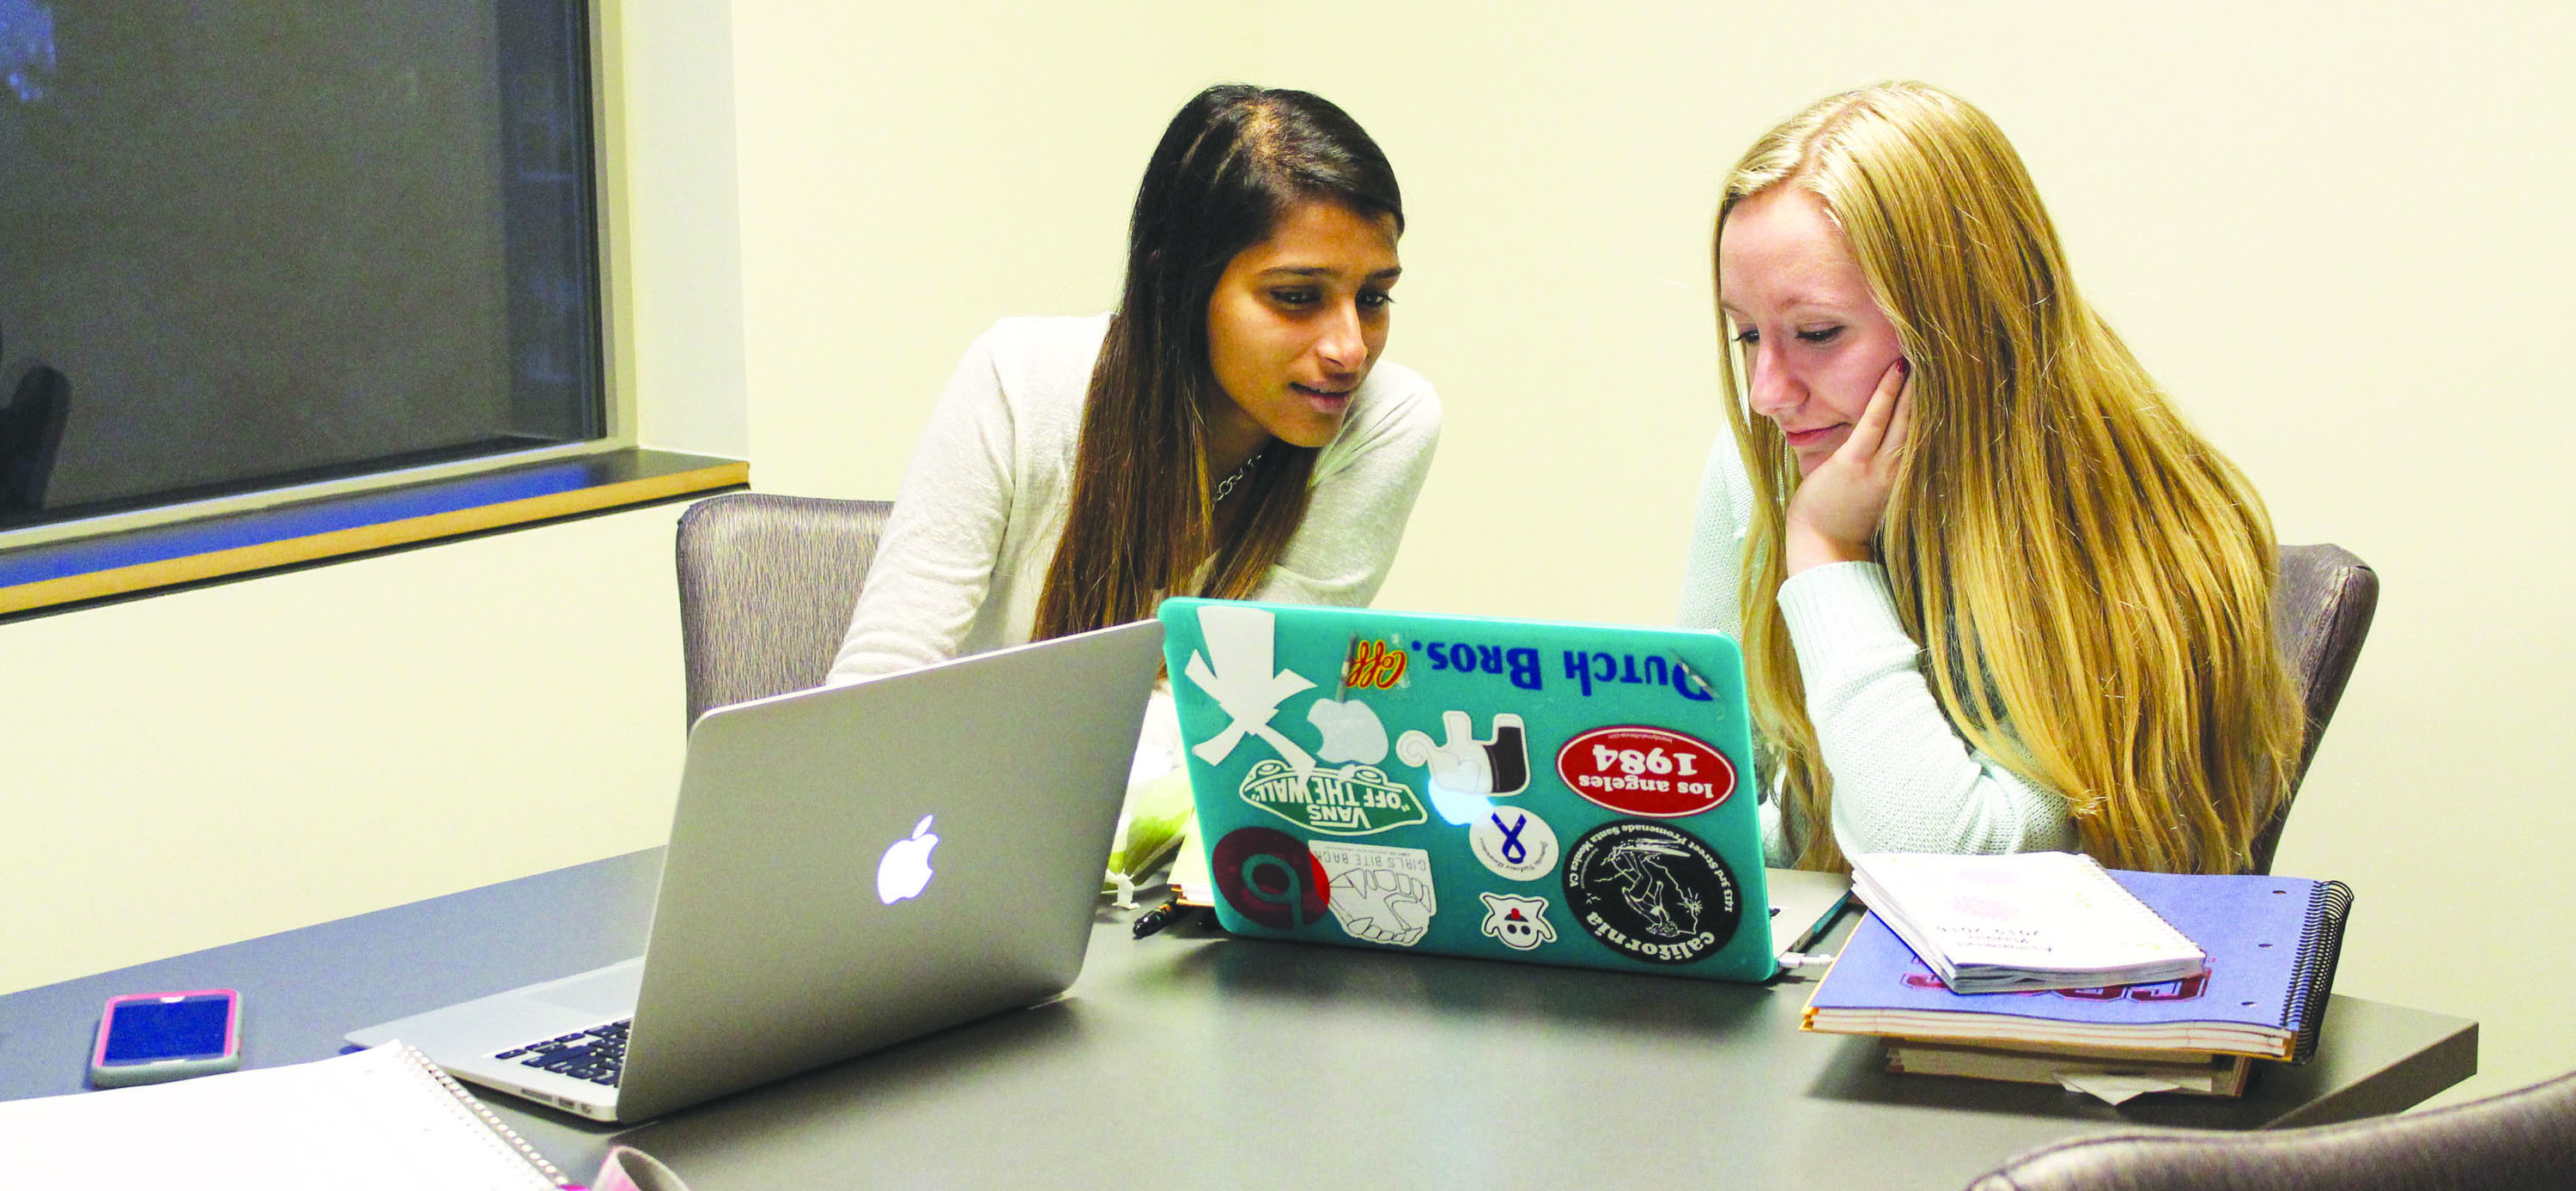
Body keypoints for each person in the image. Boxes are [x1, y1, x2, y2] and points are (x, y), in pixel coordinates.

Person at [1680, 82, 2303, 875]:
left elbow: (1948, 864)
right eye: (1746, 334)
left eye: (1816, 332)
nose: (1769, 392)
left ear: (1963, 323)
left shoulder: (2145, 536)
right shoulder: (1762, 461)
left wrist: (1829, 552)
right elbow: (1729, 808)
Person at [829, 85, 1439, 683]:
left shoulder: (1387, 419)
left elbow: (1250, 708)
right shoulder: (1020, 381)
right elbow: (876, 687)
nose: (1351, 348)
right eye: (1297, 297)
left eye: (1374, 297)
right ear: (1176, 282)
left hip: (1201, 784)